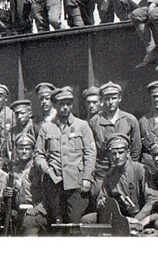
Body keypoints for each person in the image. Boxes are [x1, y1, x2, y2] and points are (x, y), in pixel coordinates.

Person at [34, 86, 96, 228]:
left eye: (68, 103)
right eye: (61, 104)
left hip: (76, 184)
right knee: (56, 223)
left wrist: (87, 178)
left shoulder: (82, 126)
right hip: (54, 184)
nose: (65, 107)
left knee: (74, 222)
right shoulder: (46, 127)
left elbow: (90, 153)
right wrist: (47, 170)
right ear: (55, 105)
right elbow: (38, 154)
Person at [82, 133, 158, 232]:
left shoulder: (140, 170)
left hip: (140, 216)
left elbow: (153, 200)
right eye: (113, 153)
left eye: (121, 152)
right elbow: (102, 197)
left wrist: (138, 218)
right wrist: (102, 202)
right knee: (87, 220)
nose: (117, 156)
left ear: (128, 152)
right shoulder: (110, 175)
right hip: (120, 216)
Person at [89, 81, 142, 177]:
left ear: (119, 98)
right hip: (102, 171)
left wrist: (129, 166)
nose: (110, 102)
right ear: (102, 100)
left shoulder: (130, 120)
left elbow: (136, 148)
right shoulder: (94, 121)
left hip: (124, 171)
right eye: (107, 99)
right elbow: (90, 149)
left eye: (114, 98)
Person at [8, 133, 48, 236]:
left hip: (37, 212)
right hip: (19, 211)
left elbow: (48, 195)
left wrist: (37, 209)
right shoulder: (13, 171)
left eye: (27, 148)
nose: (24, 151)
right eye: (21, 148)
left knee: (29, 221)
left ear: (33, 151)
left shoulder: (38, 170)